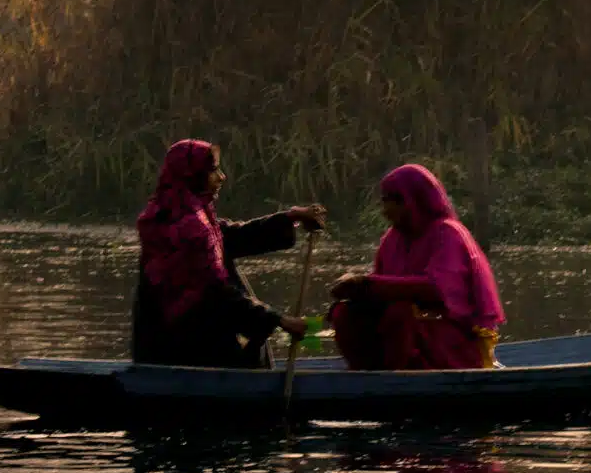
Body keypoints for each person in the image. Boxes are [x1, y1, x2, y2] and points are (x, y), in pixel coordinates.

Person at [132, 139, 325, 367]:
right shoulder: (187, 227)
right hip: (180, 348)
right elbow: (215, 293)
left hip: (170, 344)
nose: (222, 177)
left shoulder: (183, 213)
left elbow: (235, 236)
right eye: (213, 170)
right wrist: (280, 320)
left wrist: (292, 217)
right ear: (192, 175)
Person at [328, 164, 504, 370]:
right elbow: (379, 292)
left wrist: (366, 284)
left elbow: (436, 289)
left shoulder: (447, 234)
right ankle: (368, 380)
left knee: (400, 313)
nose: (385, 211)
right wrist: (357, 293)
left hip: (454, 340)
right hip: (404, 337)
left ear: (412, 201)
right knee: (345, 313)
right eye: (383, 202)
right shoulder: (392, 240)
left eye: (391, 202)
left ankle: (398, 383)